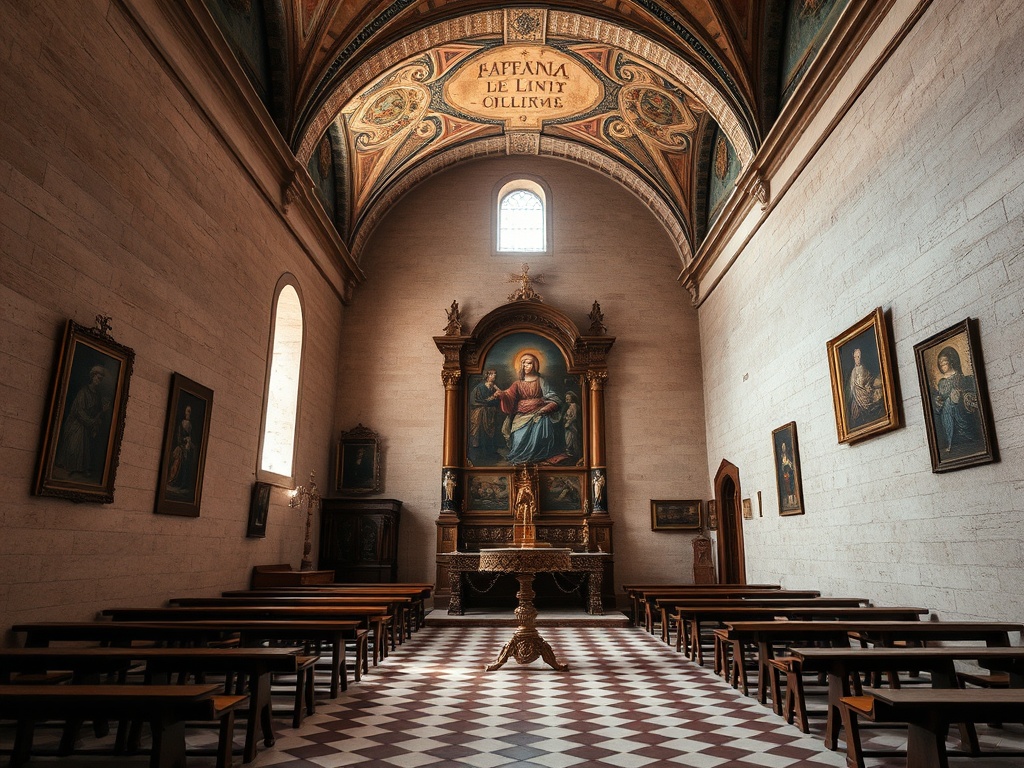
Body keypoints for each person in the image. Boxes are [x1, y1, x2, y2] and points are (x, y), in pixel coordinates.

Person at [493, 353, 563, 464]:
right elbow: (509, 396)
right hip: (521, 415)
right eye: (523, 363)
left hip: (539, 414)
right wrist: (502, 395)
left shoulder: (541, 381)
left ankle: (537, 459)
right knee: (518, 438)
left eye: (529, 363)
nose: (525, 365)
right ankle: (519, 458)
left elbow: (552, 396)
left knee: (540, 436)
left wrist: (547, 408)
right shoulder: (517, 383)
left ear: (535, 365)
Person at [54, 364, 112, 481]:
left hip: (88, 423)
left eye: (101, 379)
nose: (99, 381)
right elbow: (79, 412)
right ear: (92, 377)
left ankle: (80, 469)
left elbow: (97, 412)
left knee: (86, 445)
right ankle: (71, 469)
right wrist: (91, 422)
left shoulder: (97, 395)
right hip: (77, 422)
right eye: (97, 378)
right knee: (77, 443)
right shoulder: (83, 391)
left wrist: (103, 411)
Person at [932, 346, 981, 455]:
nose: (942, 365)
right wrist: (938, 402)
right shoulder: (941, 382)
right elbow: (941, 399)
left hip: (960, 413)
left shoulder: (961, 378)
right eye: (940, 363)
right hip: (946, 414)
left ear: (952, 361)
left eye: (944, 362)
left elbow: (967, 396)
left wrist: (956, 399)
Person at [468, 369, 500, 464]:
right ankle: (482, 454)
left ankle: (490, 453)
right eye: (493, 374)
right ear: (488, 376)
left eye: (495, 374)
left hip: (491, 413)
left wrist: (496, 396)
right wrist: (492, 397)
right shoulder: (480, 387)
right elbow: (474, 401)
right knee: (481, 433)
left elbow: (499, 399)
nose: (494, 376)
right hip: (481, 414)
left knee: (491, 434)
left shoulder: (494, 387)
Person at [847, 347, 884, 426]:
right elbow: (852, 387)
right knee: (855, 415)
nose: (858, 359)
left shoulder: (865, 369)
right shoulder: (853, 371)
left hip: (867, 396)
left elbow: (869, 381)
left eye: (859, 357)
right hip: (857, 399)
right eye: (856, 357)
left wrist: (868, 388)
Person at [167, 404, 197, 496]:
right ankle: (174, 480)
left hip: (187, 446)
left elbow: (191, 436)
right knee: (179, 457)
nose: (188, 413)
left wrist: (189, 442)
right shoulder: (182, 423)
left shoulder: (190, 425)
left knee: (190, 456)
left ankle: (184, 483)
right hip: (181, 445)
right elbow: (179, 437)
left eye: (190, 412)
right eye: (187, 411)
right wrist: (184, 441)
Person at [562, 391, 581, 460]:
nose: (566, 400)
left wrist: (568, 423)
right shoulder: (570, 406)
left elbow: (574, 417)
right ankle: (570, 454)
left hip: (572, 426)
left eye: (568, 398)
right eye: (566, 398)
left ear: (572, 398)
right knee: (568, 439)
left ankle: (573, 455)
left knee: (571, 439)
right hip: (568, 426)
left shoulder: (574, 405)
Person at [779, 442, 796, 508]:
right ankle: (790, 501)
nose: (784, 448)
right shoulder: (782, 456)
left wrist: (790, 468)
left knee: (791, 486)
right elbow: (783, 465)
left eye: (784, 446)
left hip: (789, 473)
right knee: (787, 487)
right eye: (783, 447)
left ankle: (793, 500)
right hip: (786, 474)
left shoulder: (788, 456)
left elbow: (789, 464)